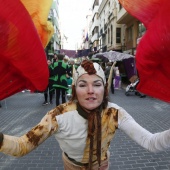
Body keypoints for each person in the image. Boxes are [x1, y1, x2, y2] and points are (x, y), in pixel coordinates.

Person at [1, 60, 170, 170]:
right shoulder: (58, 115)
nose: (90, 91)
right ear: (75, 90)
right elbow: (22, 146)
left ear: (104, 89)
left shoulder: (114, 113)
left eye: (97, 84)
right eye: (83, 85)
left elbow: (151, 142)